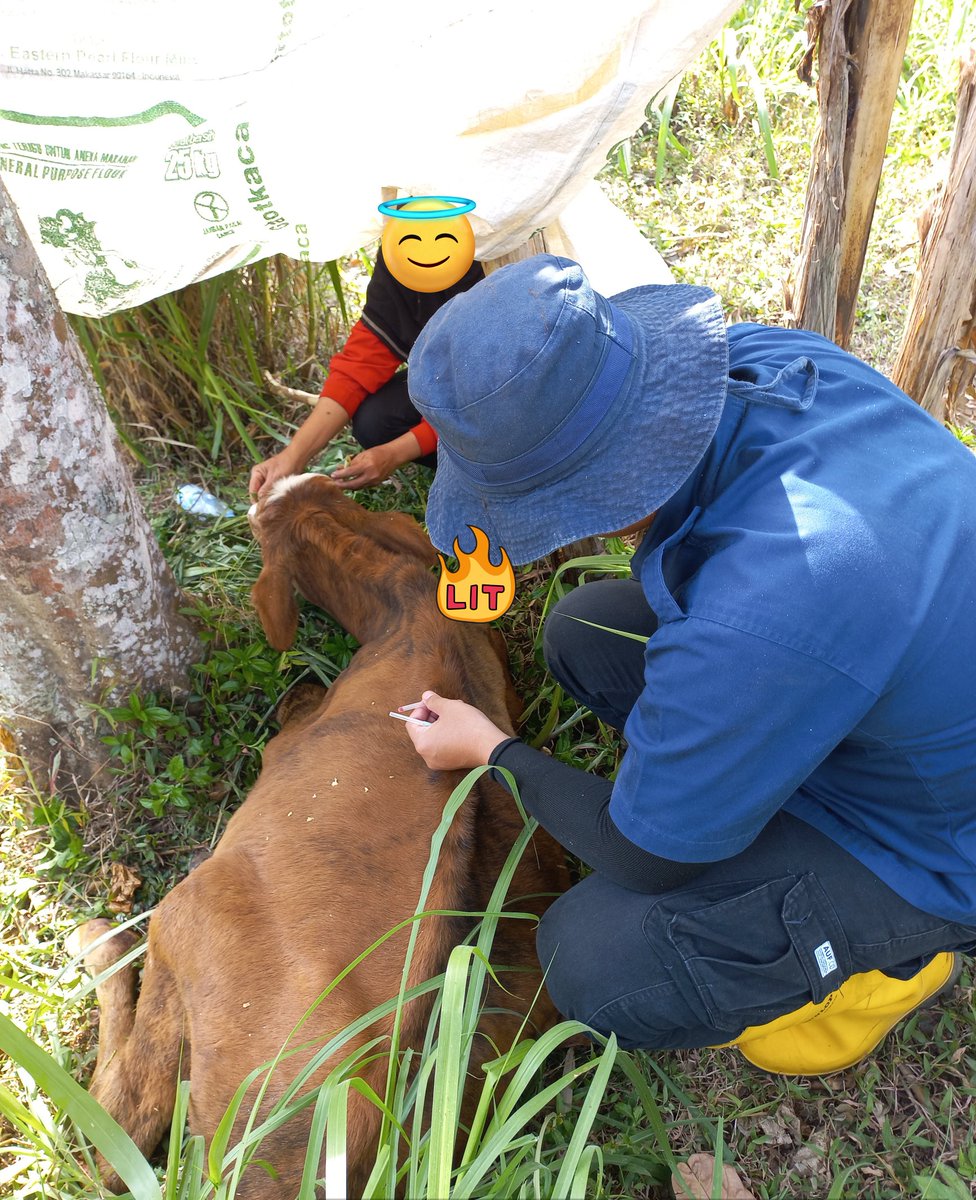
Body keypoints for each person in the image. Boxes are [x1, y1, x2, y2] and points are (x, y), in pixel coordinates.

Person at [397, 253, 976, 1075]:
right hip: (891, 679)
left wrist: (492, 751)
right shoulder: (767, 361)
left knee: (589, 959)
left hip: (936, 834)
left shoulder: (765, 607)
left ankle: (893, 962)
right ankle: (748, 791)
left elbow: (646, 858)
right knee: (584, 633)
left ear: (603, 486)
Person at [248, 248, 484, 497]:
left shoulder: (492, 255)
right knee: (375, 421)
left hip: (502, 393)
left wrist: (396, 453)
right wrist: (293, 457)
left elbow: (492, 392)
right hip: (455, 382)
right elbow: (364, 360)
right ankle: (463, 463)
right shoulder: (404, 248)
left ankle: (491, 474)